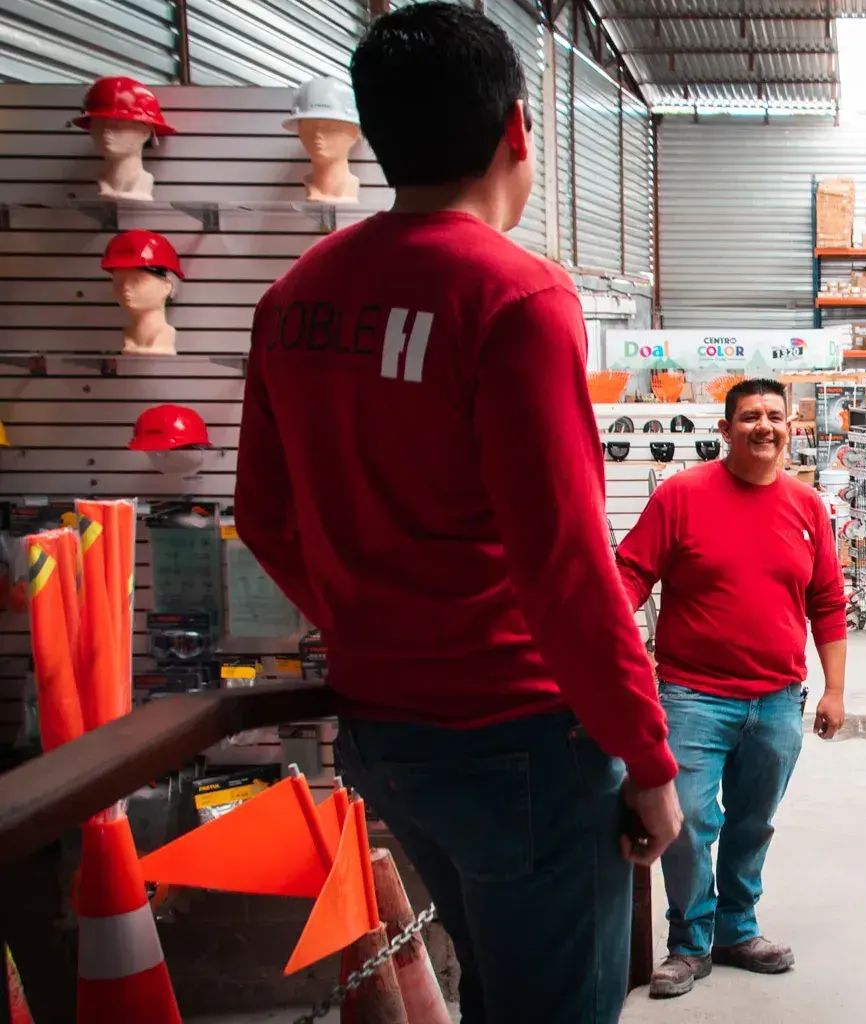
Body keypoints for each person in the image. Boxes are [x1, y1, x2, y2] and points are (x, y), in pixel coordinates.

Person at [234, 5, 679, 1021]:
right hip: (522, 733)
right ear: (519, 131)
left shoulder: (294, 299)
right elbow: (565, 565)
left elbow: (262, 513)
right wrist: (650, 757)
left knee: (496, 982)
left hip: (387, 733)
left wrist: (370, 620)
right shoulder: (515, 298)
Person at [614, 378, 849, 999]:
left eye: (774, 416)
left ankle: (736, 928)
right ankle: (690, 940)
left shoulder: (808, 508)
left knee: (753, 821)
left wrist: (835, 690)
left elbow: (826, 600)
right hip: (693, 696)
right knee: (689, 817)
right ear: (725, 431)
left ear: (790, 427)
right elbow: (632, 572)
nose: (763, 427)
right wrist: (611, 641)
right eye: (749, 417)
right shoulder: (682, 497)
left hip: (778, 698)